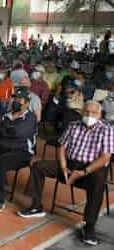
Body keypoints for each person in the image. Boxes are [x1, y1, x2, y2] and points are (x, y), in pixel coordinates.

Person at [18, 101, 114, 246]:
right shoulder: (73, 125)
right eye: (86, 112)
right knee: (38, 166)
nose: (89, 115)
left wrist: (83, 172)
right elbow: (62, 147)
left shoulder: (107, 130)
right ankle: (36, 206)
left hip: (90, 169)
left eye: (93, 113)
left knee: (98, 183)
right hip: (69, 164)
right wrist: (63, 166)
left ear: (100, 115)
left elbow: (105, 157)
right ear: (82, 112)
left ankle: (89, 227)